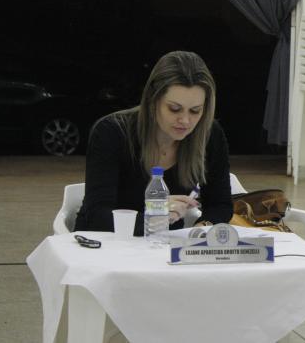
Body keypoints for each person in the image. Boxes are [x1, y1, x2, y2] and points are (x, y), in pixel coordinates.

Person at [75, 50, 233, 235]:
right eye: (174, 109)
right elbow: (97, 216)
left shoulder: (209, 134)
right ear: (152, 100)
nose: (185, 120)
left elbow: (221, 204)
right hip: (105, 242)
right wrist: (156, 216)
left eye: (195, 110)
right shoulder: (112, 132)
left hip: (164, 246)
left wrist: (202, 228)